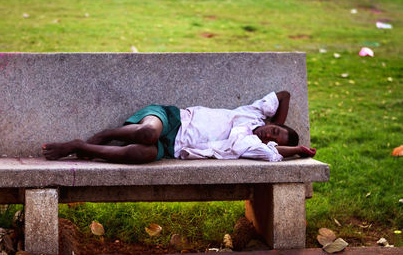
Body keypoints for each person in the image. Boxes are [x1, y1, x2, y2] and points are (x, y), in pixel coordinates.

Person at [42, 91, 316, 164]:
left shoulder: (249, 145)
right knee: (148, 132)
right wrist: (275, 123)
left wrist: (293, 148)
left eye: (274, 136)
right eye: (275, 129)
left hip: (173, 148)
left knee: (144, 154)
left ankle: (81, 146)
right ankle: (106, 134)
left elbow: (270, 154)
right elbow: (283, 95)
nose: (270, 133)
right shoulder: (253, 113)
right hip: (171, 118)